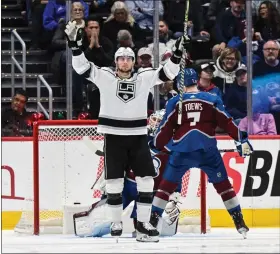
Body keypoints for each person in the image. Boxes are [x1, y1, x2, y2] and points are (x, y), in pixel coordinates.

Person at [64, 20, 190, 242]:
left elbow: (168, 73)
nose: (125, 62)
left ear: (133, 61)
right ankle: (115, 222)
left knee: (146, 181)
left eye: (129, 58)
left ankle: (142, 224)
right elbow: (82, 68)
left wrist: (177, 55)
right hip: (113, 136)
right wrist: (75, 47)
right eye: (121, 58)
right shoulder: (105, 76)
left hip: (138, 136)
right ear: (116, 61)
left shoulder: (143, 77)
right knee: (114, 183)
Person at [149, 68, 253, 238]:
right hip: (207, 151)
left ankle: (152, 222)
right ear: (196, 81)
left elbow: (165, 129)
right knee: (224, 186)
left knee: (165, 188)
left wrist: (154, 145)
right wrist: (241, 138)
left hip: (181, 152)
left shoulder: (175, 102)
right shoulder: (212, 99)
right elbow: (227, 122)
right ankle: (239, 221)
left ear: (180, 84)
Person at [74, 110, 182, 238]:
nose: (156, 125)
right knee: (97, 222)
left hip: (152, 193)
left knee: (157, 229)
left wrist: (175, 194)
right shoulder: (139, 138)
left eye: (160, 122)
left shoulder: (175, 146)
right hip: (127, 187)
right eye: (155, 120)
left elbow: (176, 172)